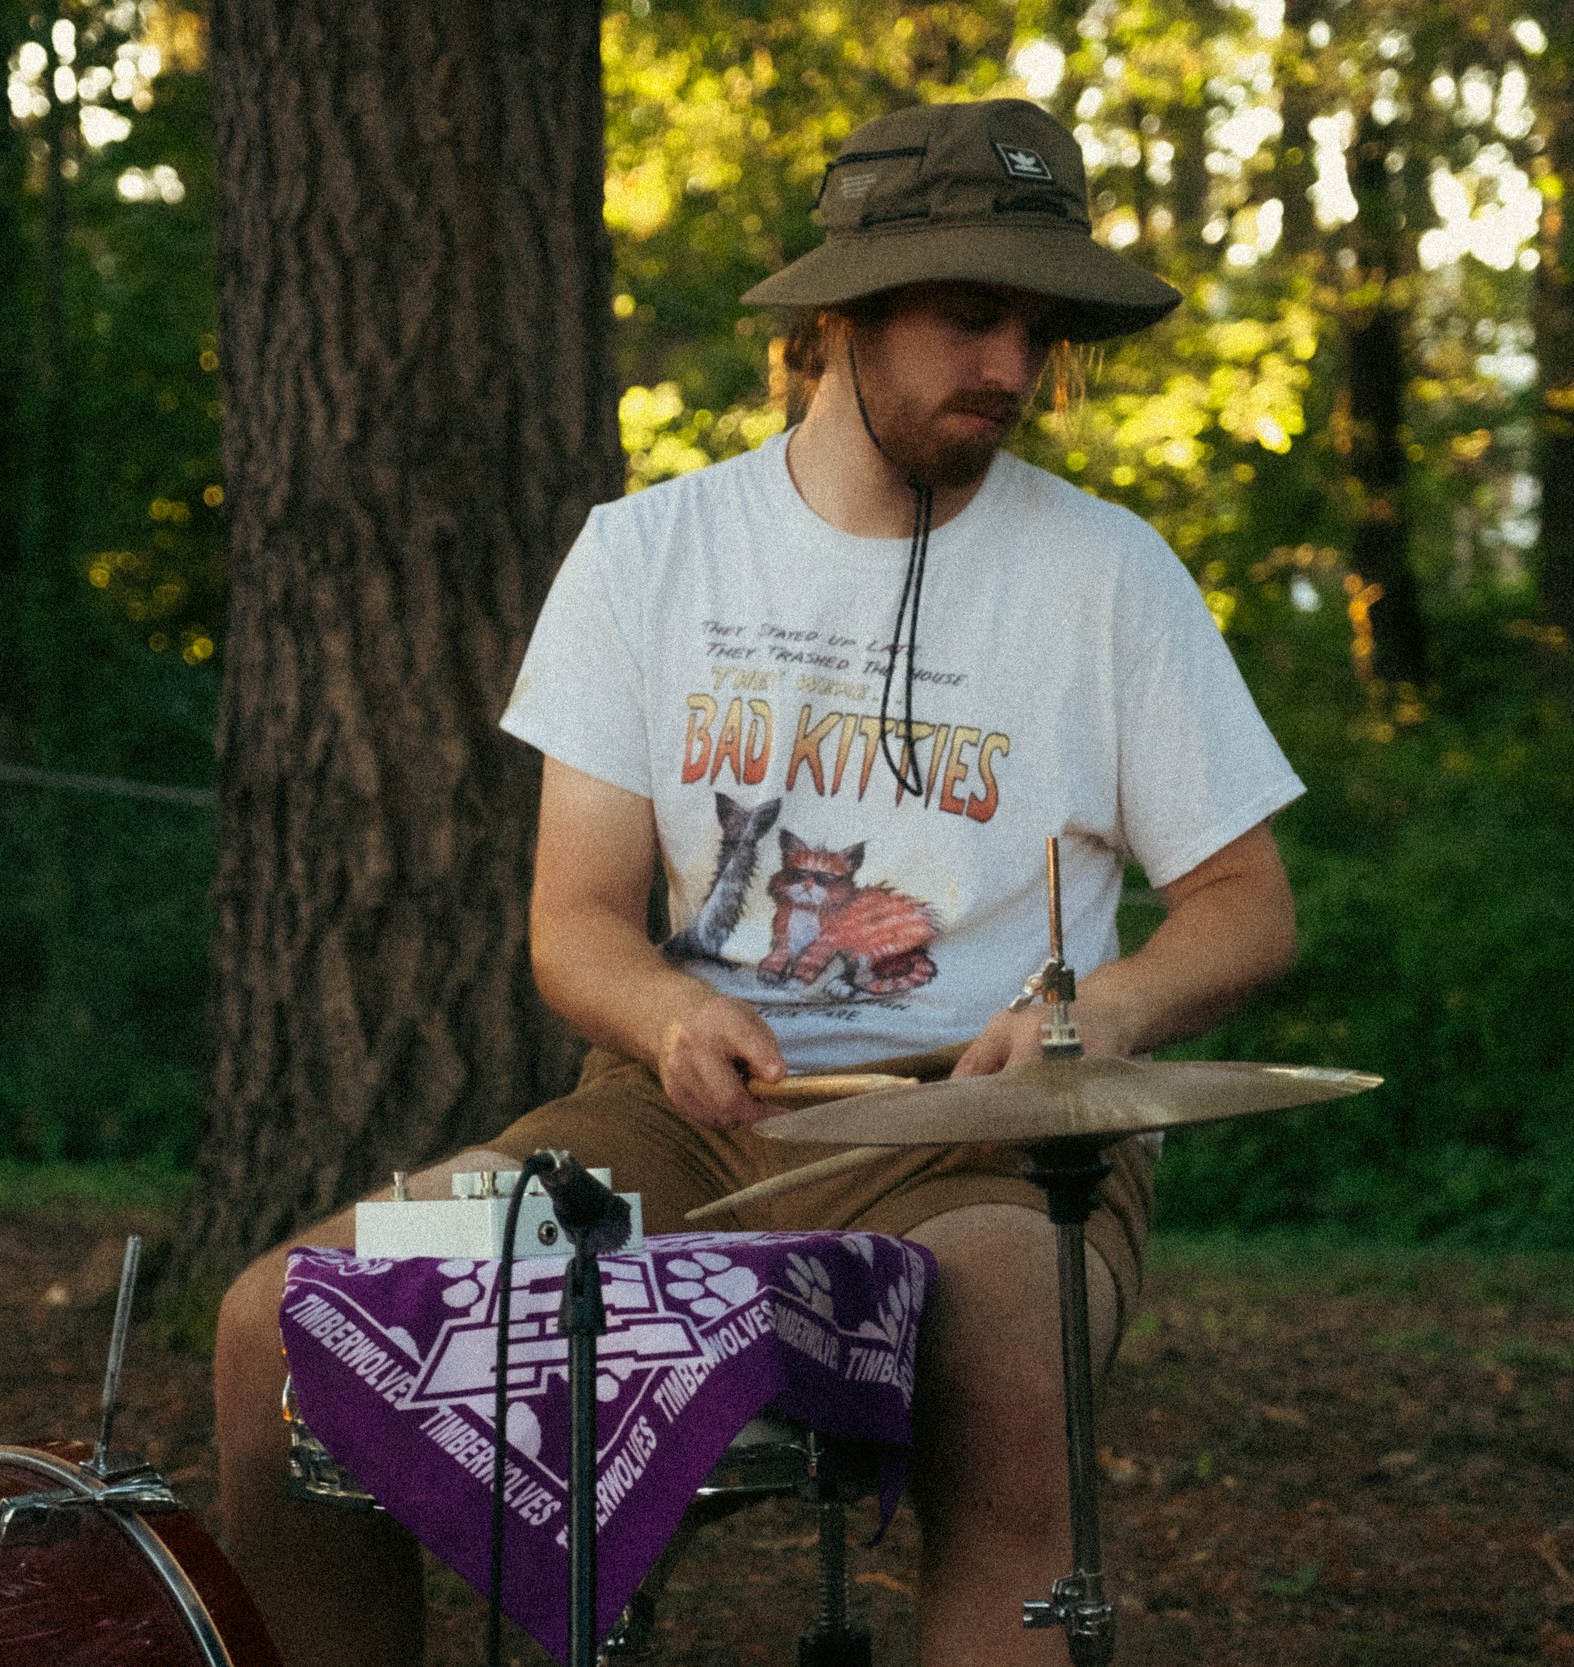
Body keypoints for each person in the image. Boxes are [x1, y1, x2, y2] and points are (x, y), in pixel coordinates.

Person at [211, 98, 1303, 1666]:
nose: (1014, 367)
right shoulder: (647, 555)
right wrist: (665, 1017)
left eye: (1039, 326)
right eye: (970, 315)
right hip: (673, 1128)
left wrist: (1101, 1011)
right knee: (280, 1329)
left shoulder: (1111, 574)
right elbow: (575, 922)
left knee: (997, 1353)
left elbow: (1249, 903)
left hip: (989, 1150)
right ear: (845, 312)